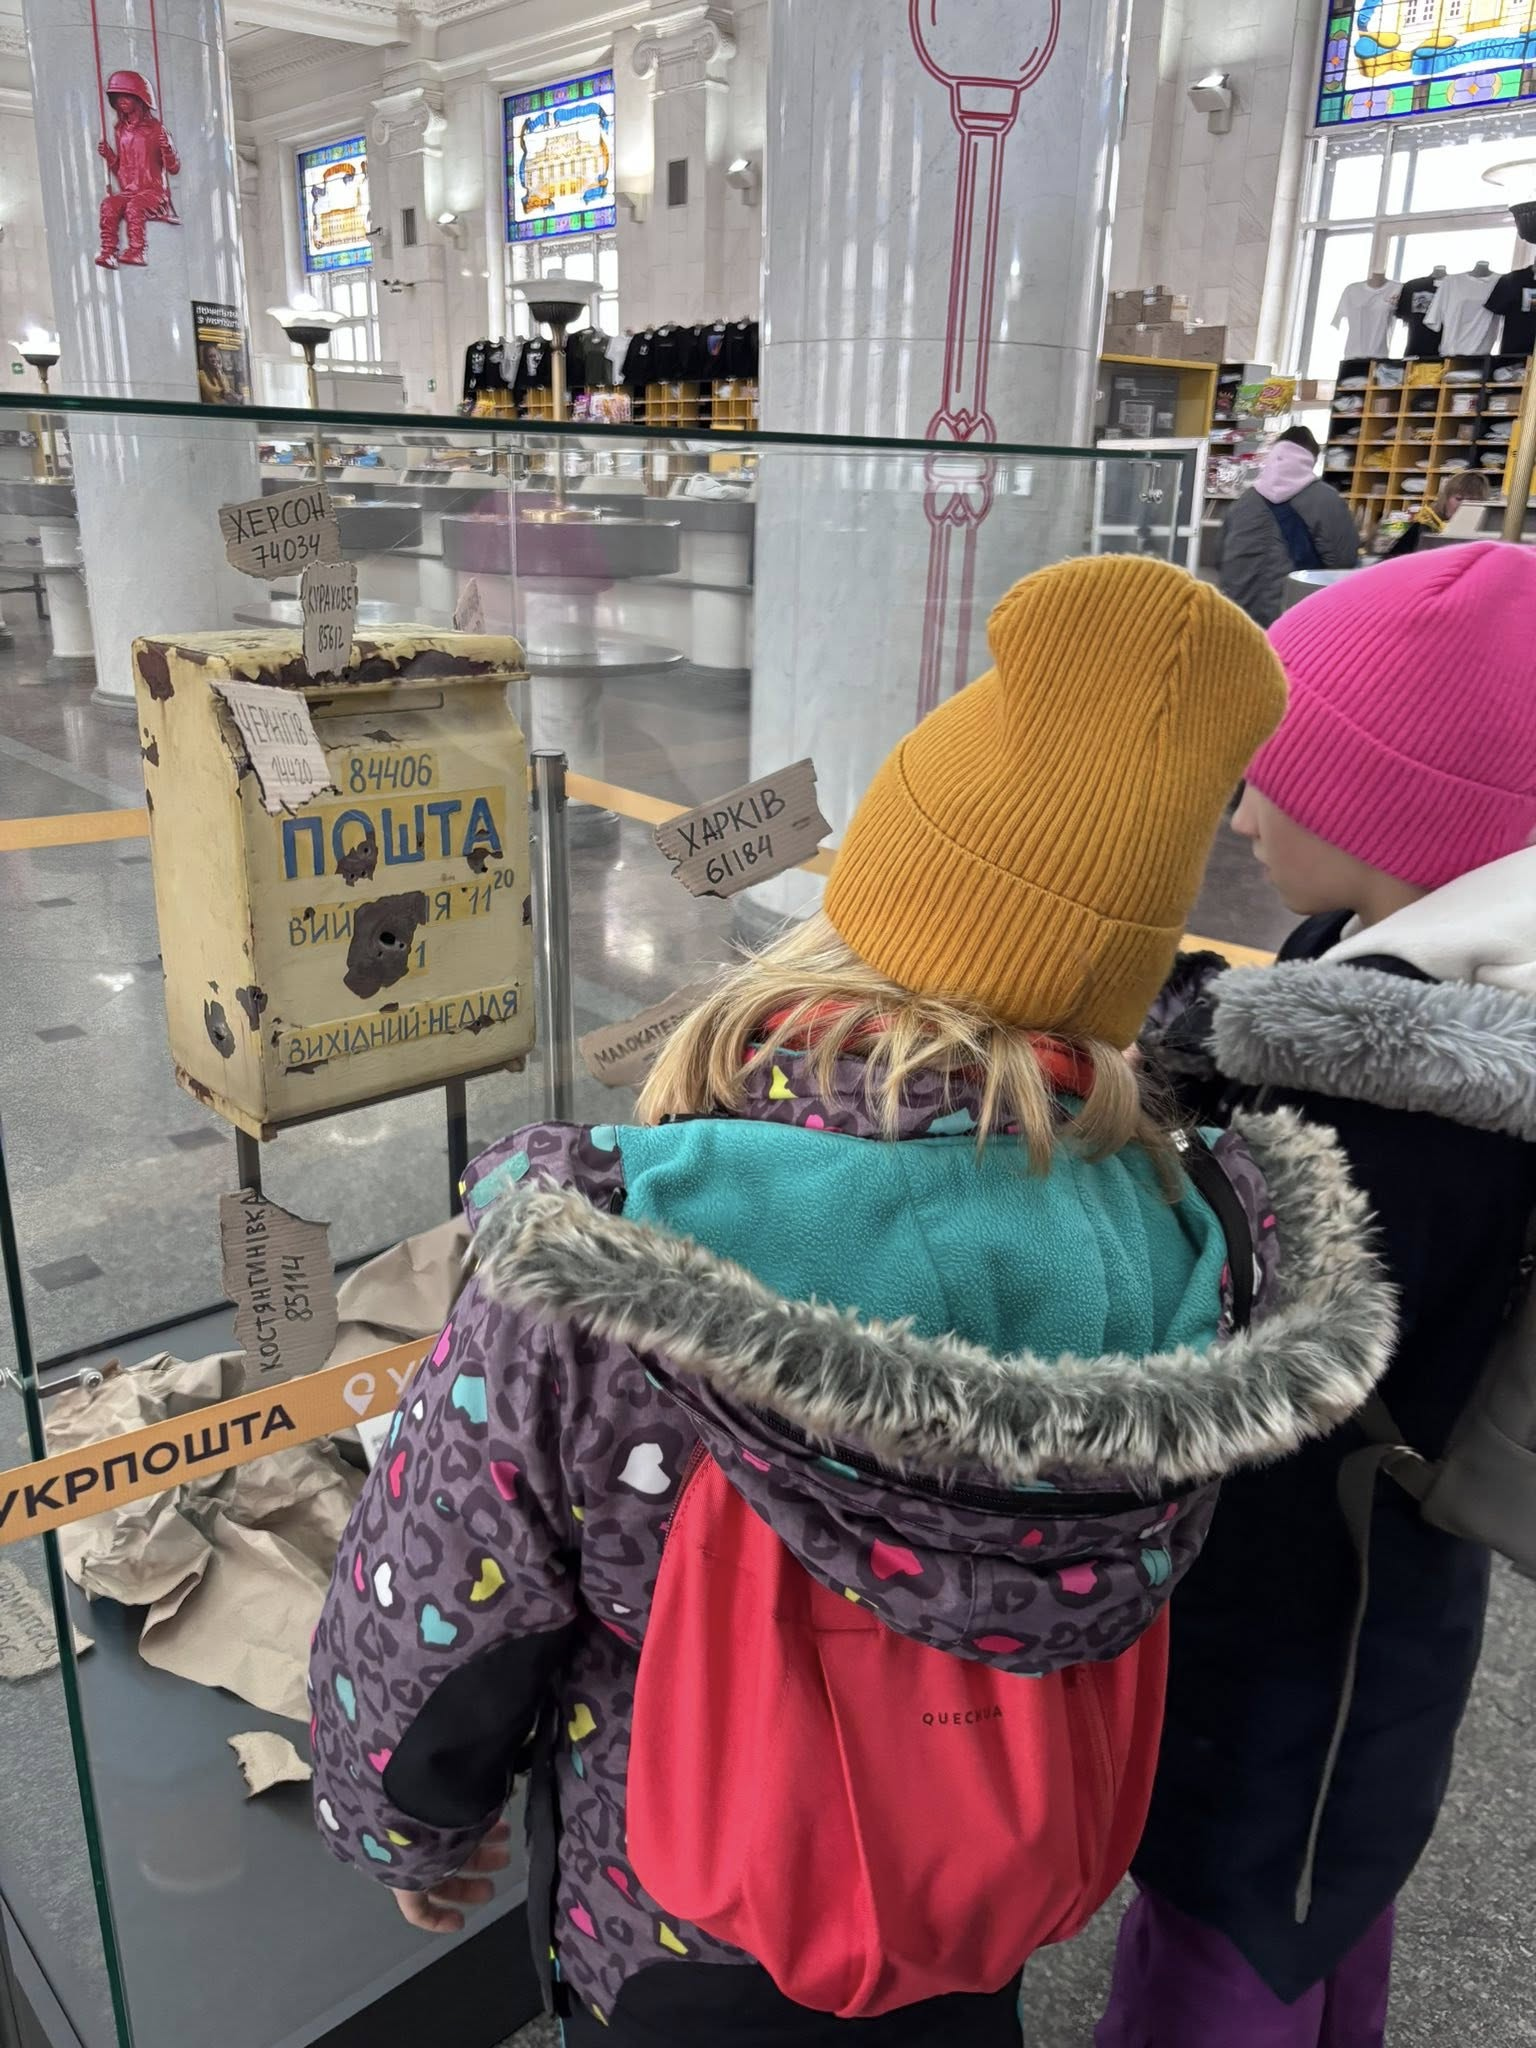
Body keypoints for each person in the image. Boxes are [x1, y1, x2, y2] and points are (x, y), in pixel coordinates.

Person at [309, 557, 1392, 2047]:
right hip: (986, 1886)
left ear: (865, 913)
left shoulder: (619, 1252)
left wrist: (405, 1829)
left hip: (680, 1914)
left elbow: (442, 1595)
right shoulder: (1191, 1235)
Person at [1103, 540, 1536, 2048]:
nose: (1242, 813)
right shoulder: (1394, 963)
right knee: (1326, 1885)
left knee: (1237, 1899)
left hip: (1306, 1582)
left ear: (1387, 808)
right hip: (1383, 1583)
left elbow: (1246, 1323)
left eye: (1270, 777)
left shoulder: (1417, 1100)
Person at [1220, 426, 1360, 628]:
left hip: (1238, 619)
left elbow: (1219, 556)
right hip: (1295, 620)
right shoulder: (1326, 499)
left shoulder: (1244, 501)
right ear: (1310, 459)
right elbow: (1343, 563)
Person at [96, 70, 180, 270]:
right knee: (109, 205)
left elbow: (174, 167)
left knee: (135, 206)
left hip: (153, 195)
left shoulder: (157, 130)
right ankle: (109, 252)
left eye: (127, 96)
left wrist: (168, 148)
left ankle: (138, 251)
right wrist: (110, 157)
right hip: (130, 192)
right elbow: (123, 172)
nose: (122, 101)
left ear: (140, 99)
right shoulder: (121, 131)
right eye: (118, 97)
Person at [1378, 467, 1491, 559]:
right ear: (1446, 499)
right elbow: (1390, 562)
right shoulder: (1423, 527)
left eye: (1472, 501)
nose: (1463, 505)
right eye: (1459, 499)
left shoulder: (1487, 535)